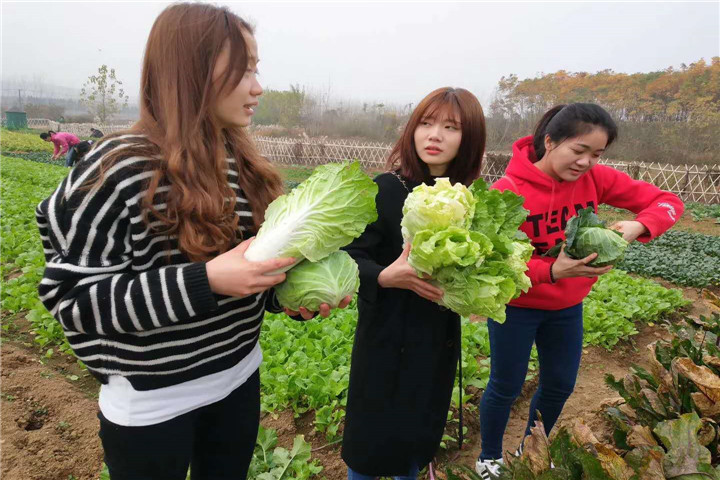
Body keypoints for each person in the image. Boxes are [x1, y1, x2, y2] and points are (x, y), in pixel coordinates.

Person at [36, 4, 349, 480]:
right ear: (191, 73)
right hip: (152, 406)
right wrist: (209, 280)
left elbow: (246, 278)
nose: (257, 87)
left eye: (256, 70)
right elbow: (72, 298)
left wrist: (287, 298)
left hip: (239, 379)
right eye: (243, 71)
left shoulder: (244, 166)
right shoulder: (118, 168)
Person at [474, 103, 684, 479]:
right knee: (505, 385)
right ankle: (489, 457)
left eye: (597, 154)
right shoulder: (507, 192)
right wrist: (551, 269)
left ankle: (530, 449)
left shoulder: (597, 180)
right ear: (551, 141)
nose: (586, 162)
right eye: (579, 150)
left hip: (568, 306)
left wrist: (639, 226)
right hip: (516, 306)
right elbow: (490, 262)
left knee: (559, 384)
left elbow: (669, 201)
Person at [341, 87, 487, 479]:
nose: (434, 135)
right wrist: (384, 276)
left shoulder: (469, 201)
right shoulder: (386, 189)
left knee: (418, 436)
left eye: (450, 127)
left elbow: (484, 262)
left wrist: (478, 294)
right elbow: (349, 256)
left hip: (436, 339)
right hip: (385, 337)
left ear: (468, 138)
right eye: (426, 123)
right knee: (368, 443)